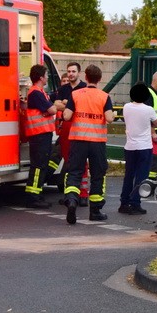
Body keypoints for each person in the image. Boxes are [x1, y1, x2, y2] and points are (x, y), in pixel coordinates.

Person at [62, 64, 115, 224]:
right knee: (98, 175)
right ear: (99, 79)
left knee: (75, 172)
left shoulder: (75, 94)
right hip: (97, 142)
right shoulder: (104, 96)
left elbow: (66, 116)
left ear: (85, 77)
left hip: (78, 140)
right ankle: (95, 211)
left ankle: (72, 201)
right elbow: (110, 118)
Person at [119, 83, 157, 215]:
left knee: (129, 175)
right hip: (144, 147)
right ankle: (135, 203)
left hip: (130, 146)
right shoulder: (148, 110)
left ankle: (124, 202)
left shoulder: (126, 107)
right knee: (141, 177)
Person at [52, 61, 89, 206]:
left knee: (82, 161)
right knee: (68, 162)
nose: (71, 74)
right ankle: (70, 194)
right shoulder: (63, 88)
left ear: (79, 73)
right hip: (66, 126)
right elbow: (56, 104)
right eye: (69, 71)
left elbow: (83, 107)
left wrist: (67, 104)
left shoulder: (85, 88)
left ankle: (84, 194)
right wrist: (71, 105)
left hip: (80, 126)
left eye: (73, 71)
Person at [22, 64, 58, 208]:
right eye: (46, 75)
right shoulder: (35, 93)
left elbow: (50, 109)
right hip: (39, 135)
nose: (48, 77)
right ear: (41, 77)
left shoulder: (39, 92)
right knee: (38, 166)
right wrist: (54, 108)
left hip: (42, 134)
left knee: (41, 165)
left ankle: (36, 194)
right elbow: (52, 109)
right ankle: (33, 197)